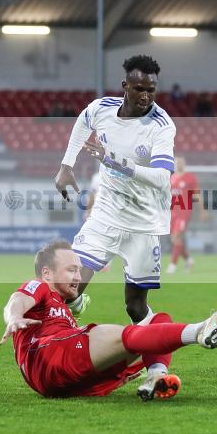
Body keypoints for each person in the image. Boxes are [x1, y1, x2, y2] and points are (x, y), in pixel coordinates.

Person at [0, 240, 217, 399]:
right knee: (124, 337)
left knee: (158, 321)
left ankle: (156, 376)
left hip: (67, 384)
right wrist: (14, 317)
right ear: (47, 273)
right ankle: (200, 331)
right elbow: (17, 300)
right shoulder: (40, 287)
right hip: (50, 356)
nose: (78, 276)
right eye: (71, 270)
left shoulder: (60, 309)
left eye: (78, 269)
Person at [54, 54, 175, 338]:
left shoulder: (161, 126)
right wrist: (66, 165)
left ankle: (154, 365)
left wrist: (117, 162)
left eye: (151, 90)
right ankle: (76, 307)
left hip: (143, 223)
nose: (146, 96)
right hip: (106, 214)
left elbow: (161, 178)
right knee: (67, 287)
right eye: (139, 88)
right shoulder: (102, 109)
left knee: (135, 307)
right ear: (125, 86)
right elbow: (83, 122)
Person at [166, 156, 206, 274]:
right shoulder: (171, 178)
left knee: (177, 237)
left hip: (184, 211)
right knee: (174, 239)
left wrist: (202, 211)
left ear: (184, 164)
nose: (179, 164)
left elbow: (197, 194)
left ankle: (172, 266)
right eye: (177, 162)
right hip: (172, 212)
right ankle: (188, 260)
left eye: (181, 162)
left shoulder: (190, 178)